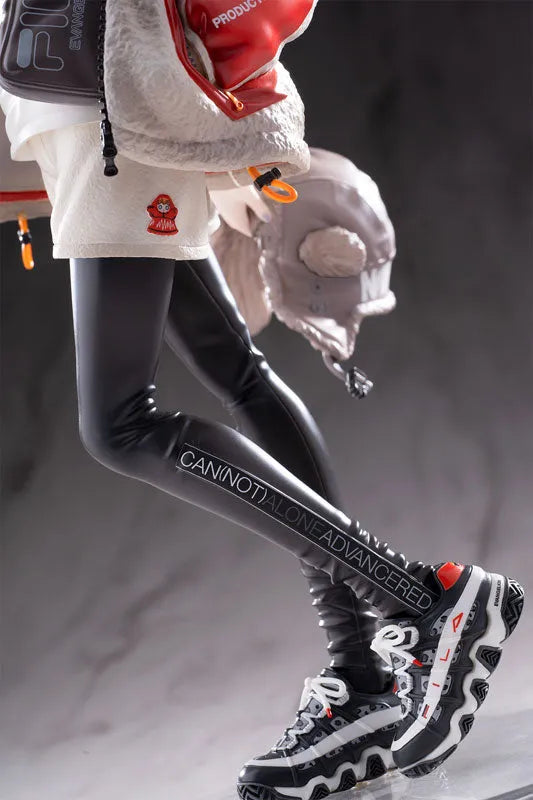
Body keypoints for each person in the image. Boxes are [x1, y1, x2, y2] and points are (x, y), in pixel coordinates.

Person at [0, 4, 524, 799]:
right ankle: (363, 683)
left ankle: (417, 600)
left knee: (120, 424)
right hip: (84, 102)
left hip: (107, 111)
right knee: (236, 372)